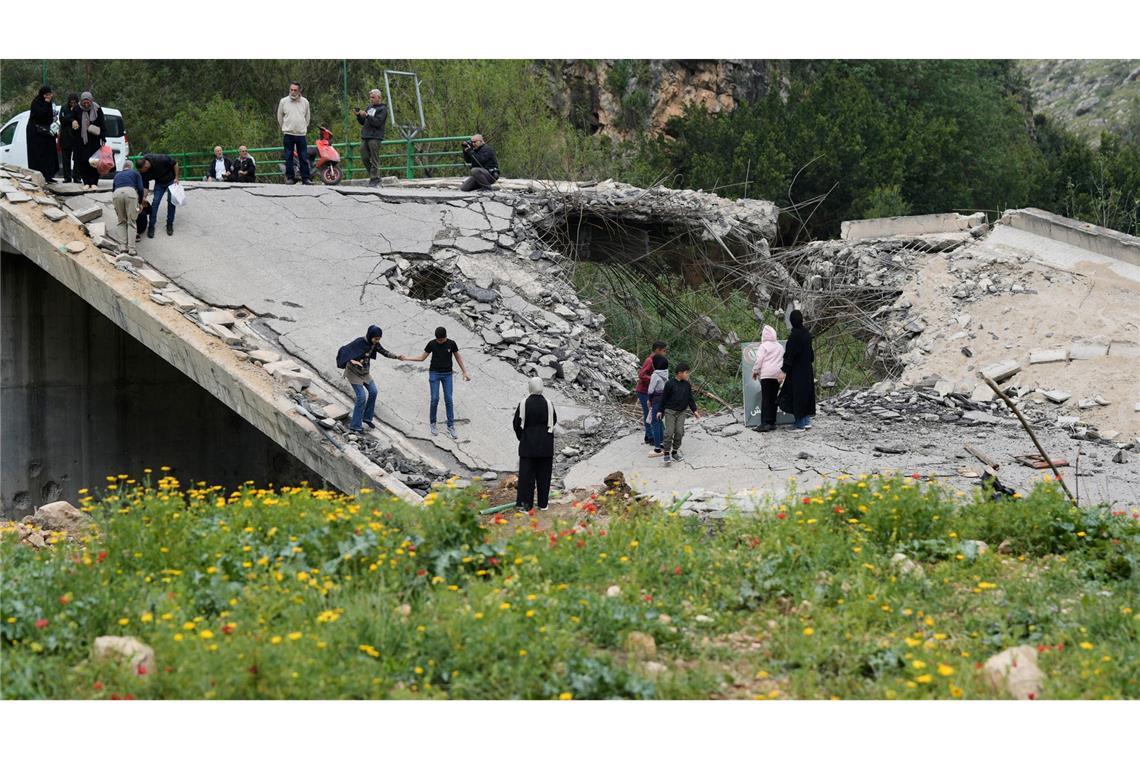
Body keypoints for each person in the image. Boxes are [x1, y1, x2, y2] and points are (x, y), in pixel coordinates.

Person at [403, 326, 471, 439]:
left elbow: (458, 357)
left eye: (441, 340)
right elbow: (421, 358)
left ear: (445, 337)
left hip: (448, 374)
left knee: (448, 399)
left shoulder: (451, 344)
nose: (439, 341)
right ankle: (433, 423)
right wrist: (407, 358)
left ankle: (450, 425)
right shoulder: (432, 344)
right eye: (438, 340)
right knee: (435, 398)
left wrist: (464, 371)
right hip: (434, 373)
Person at [336, 325, 403, 433]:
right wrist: (353, 361)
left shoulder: (374, 344)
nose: (377, 341)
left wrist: (397, 356)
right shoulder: (359, 342)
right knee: (361, 397)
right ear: (370, 335)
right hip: (353, 373)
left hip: (364, 372)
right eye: (376, 339)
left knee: (373, 391)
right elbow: (345, 351)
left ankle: (367, 419)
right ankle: (355, 425)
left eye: (379, 339)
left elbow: (384, 352)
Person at [513, 377, 557, 513]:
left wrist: (522, 437)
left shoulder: (524, 403)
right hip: (546, 445)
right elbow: (554, 420)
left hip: (528, 446)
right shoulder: (549, 403)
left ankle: (527, 506)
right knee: (544, 476)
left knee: (527, 477)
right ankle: (543, 504)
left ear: (530, 387)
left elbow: (516, 424)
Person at [776, 310, 816, 431]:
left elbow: (790, 356)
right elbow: (811, 354)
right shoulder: (807, 334)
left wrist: (783, 371)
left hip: (797, 371)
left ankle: (799, 424)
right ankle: (807, 421)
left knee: (797, 395)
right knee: (807, 394)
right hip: (807, 370)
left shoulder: (795, 336)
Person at [654, 361, 700, 466]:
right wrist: (660, 411)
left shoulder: (687, 385)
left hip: (681, 412)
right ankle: (666, 453)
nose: (688, 374)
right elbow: (664, 399)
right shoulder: (670, 384)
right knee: (669, 432)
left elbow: (690, 399)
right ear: (679, 373)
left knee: (679, 432)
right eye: (686, 372)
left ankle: (674, 451)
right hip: (670, 411)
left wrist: (695, 411)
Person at [750, 324, 785, 432]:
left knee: (766, 398)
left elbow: (759, 360)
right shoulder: (779, 346)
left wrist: (755, 371)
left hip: (766, 375)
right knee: (774, 398)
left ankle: (764, 424)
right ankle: (772, 422)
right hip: (777, 375)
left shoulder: (763, 346)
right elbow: (783, 360)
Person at [277, 81, 311, 185]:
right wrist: (285, 127)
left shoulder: (305, 102)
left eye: (295, 90)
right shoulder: (283, 101)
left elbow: (307, 117)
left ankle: (306, 178)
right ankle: (290, 178)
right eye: (291, 90)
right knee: (288, 157)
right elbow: (280, 116)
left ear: (299, 91)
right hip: (288, 133)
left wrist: (303, 127)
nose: (293, 92)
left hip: (301, 134)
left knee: (303, 157)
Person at [633, 340, 668, 445]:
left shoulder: (657, 360)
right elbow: (641, 375)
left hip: (651, 392)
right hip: (644, 391)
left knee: (650, 413)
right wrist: (654, 379)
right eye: (664, 351)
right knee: (649, 414)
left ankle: (649, 436)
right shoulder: (650, 360)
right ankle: (651, 437)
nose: (665, 353)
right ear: (657, 350)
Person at [139, 154, 180, 237]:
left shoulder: (160, 159)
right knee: (155, 203)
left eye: (143, 170)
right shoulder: (143, 172)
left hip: (170, 180)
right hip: (159, 183)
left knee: (171, 202)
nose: (143, 172)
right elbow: (145, 187)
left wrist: (176, 177)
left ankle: (169, 224)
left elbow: (175, 164)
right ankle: (151, 225)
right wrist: (143, 198)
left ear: (146, 165)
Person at [355, 89, 388, 187]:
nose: (371, 99)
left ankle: (374, 179)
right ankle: (375, 177)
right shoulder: (369, 107)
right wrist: (358, 116)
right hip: (365, 136)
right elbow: (363, 122)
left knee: (374, 159)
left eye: (373, 97)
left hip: (375, 137)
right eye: (370, 97)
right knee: (364, 157)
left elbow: (377, 122)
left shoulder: (383, 109)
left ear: (379, 97)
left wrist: (367, 116)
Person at [26, 86, 59, 181]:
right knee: (38, 155)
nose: (48, 96)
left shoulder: (50, 104)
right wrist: (46, 103)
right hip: (36, 133)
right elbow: (40, 115)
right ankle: (38, 176)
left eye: (50, 94)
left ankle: (49, 176)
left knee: (49, 153)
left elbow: (50, 116)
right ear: (42, 94)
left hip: (47, 132)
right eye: (46, 95)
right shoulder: (36, 103)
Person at [111, 160, 144, 255]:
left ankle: (122, 247)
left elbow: (113, 189)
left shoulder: (117, 175)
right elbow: (141, 189)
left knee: (121, 221)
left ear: (123, 167)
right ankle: (132, 249)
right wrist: (140, 202)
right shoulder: (135, 173)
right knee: (131, 222)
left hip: (117, 194)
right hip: (130, 193)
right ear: (131, 167)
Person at [74, 91, 105, 189]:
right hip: (82, 141)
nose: (86, 103)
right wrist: (73, 121)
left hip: (94, 140)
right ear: (82, 101)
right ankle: (86, 182)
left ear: (91, 100)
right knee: (83, 162)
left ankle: (94, 182)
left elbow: (102, 124)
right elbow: (71, 119)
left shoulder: (97, 109)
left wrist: (103, 138)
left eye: (88, 101)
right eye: (84, 101)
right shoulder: (77, 109)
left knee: (94, 162)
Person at [645, 355, 669, 457]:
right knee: (659, 421)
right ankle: (663, 443)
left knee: (655, 423)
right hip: (664, 400)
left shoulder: (655, 375)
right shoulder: (666, 373)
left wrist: (649, 400)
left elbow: (650, 390)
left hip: (656, 400)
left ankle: (657, 449)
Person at [58, 93, 81, 182]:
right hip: (65, 137)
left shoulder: (79, 109)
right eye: (71, 102)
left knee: (77, 158)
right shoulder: (64, 108)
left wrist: (73, 117)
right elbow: (62, 120)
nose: (73, 104)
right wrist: (72, 118)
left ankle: (77, 177)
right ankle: (67, 177)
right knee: (65, 159)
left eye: (74, 103)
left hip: (76, 137)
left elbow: (80, 119)